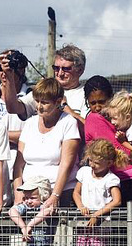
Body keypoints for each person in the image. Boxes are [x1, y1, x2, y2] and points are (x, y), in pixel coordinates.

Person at [12, 78, 81, 210]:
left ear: (58, 102)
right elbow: (18, 165)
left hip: (61, 193)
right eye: (37, 101)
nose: (38, 106)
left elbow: (66, 165)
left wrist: (55, 195)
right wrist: (18, 194)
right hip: (28, 195)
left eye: (44, 102)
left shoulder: (68, 122)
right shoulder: (30, 123)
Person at [72, 139, 124, 246]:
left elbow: (117, 201)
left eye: (97, 163)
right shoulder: (84, 173)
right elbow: (76, 192)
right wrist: (81, 206)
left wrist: (98, 214)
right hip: (83, 224)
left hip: (101, 227)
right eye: (91, 161)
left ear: (108, 163)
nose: (92, 165)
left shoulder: (111, 179)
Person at [0, 44, 88, 123]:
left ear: (80, 70)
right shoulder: (45, 89)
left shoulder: (86, 94)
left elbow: (89, 129)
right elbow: (13, 108)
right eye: (56, 68)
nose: (60, 73)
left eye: (66, 69)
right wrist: (9, 75)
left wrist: (65, 108)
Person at [0, 48, 31, 180]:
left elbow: (33, 135)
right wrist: (14, 136)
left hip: (22, 169)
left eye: (9, 68)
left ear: (21, 70)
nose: (4, 73)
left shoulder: (32, 98)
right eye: (0, 68)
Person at [8, 176, 55, 246]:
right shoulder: (25, 206)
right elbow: (11, 211)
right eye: (26, 198)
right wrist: (23, 227)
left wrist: (30, 225)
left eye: (33, 198)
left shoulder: (45, 206)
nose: (28, 201)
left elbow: (47, 211)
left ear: (43, 196)